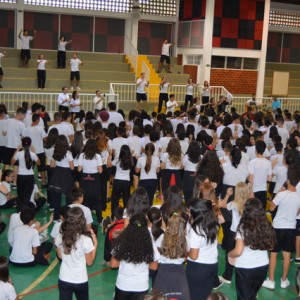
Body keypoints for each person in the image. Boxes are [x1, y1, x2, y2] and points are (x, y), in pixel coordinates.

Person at [228, 198, 276, 300]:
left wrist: (229, 254)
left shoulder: (243, 227)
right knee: (252, 294)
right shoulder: (267, 225)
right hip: (262, 267)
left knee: (244, 297)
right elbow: (271, 246)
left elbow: (238, 251)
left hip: (245, 268)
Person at [263, 167, 300, 290]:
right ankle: (284, 280)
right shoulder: (298, 197)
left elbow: (272, 208)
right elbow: (297, 213)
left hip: (278, 227)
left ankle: (271, 280)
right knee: (287, 254)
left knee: (273, 253)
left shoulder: (282, 194)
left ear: (288, 180)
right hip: (290, 228)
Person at [110, 213, 159, 300]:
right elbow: (154, 266)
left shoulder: (123, 239)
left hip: (123, 285)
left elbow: (113, 264)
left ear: (130, 225)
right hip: (141, 286)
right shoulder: (149, 240)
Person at [56, 207, 98, 300]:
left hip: (64, 278)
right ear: (82, 222)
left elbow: (60, 256)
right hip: (80, 280)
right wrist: (95, 244)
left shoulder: (60, 237)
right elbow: (89, 262)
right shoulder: (85, 240)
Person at [186, 199, 219, 300]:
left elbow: (194, 256)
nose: (187, 212)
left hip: (198, 268)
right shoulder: (213, 223)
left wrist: (184, 251)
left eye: (189, 211)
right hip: (212, 265)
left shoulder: (196, 230)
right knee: (206, 294)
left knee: (194, 296)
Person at [154, 212, 190, 300]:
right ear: (182, 227)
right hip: (179, 272)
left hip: (163, 272)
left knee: (158, 296)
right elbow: (186, 256)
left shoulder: (162, 237)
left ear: (168, 225)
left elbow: (156, 253)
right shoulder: (186, 240)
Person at [78, 139, 103, 225]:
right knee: (97, 201)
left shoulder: (82, 155)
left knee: (85, 200)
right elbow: (100, 171)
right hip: (95, 179)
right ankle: (100, 220)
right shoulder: (97, 156)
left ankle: (85, 220)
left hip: (84, 179)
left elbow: (79, 169)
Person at [11, 137, 40, 211]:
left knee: (20, 194)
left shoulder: (18, 153)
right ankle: (26, 211)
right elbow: (39, 163)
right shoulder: (33, 154)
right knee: (28, 195)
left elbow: (12, 162)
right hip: (30, 177)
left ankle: (20, 210)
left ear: (22, 144)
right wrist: (35, 153)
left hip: (20, 176)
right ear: (30, 145)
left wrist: (16, 151)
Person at [23, 114, 47, 187]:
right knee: (42, 168)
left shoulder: (26, 129)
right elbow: (45, 139)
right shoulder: (40, 128)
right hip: (40, 151)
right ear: (37, 120)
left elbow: (23, 140)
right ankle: (43, 183)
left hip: (29, 152)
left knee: (30, 168)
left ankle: (30, 183)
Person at [248, 140, 272, 209]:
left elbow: (250, 179)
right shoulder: (268, 162)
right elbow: (270, 179)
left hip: (254, 191)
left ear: (256, 149)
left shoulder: (252, 162)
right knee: (261, 213)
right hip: (264, 191)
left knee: (253, 214)